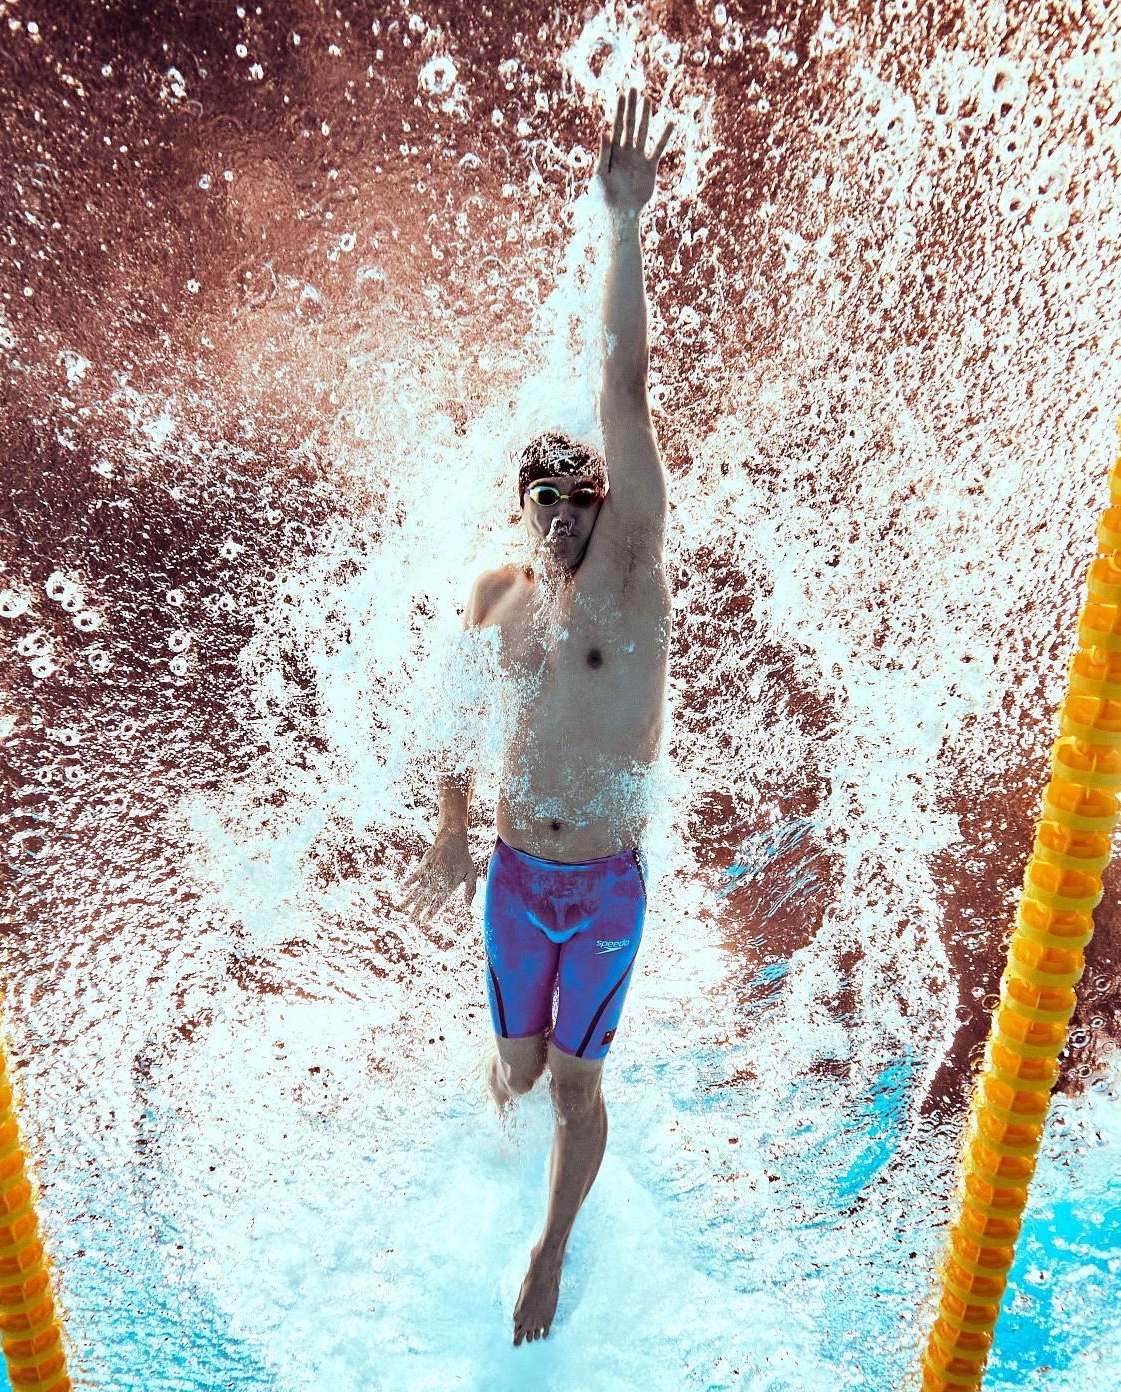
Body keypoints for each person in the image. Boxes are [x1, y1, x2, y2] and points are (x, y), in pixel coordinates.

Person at [399, 89, 675, 1347]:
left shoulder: (631, 571)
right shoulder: (500, 595)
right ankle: (503, 1118)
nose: (564, 515)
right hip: (517, 879)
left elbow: (623, 379)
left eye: (581, 495)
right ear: (523, 508)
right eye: (544, 499)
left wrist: (622, 225)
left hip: (605, 885)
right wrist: (453, 830)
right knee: (514, 1074)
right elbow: (452, 722)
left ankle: (552, 1250)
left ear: (606, 501)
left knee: (575, 1086)